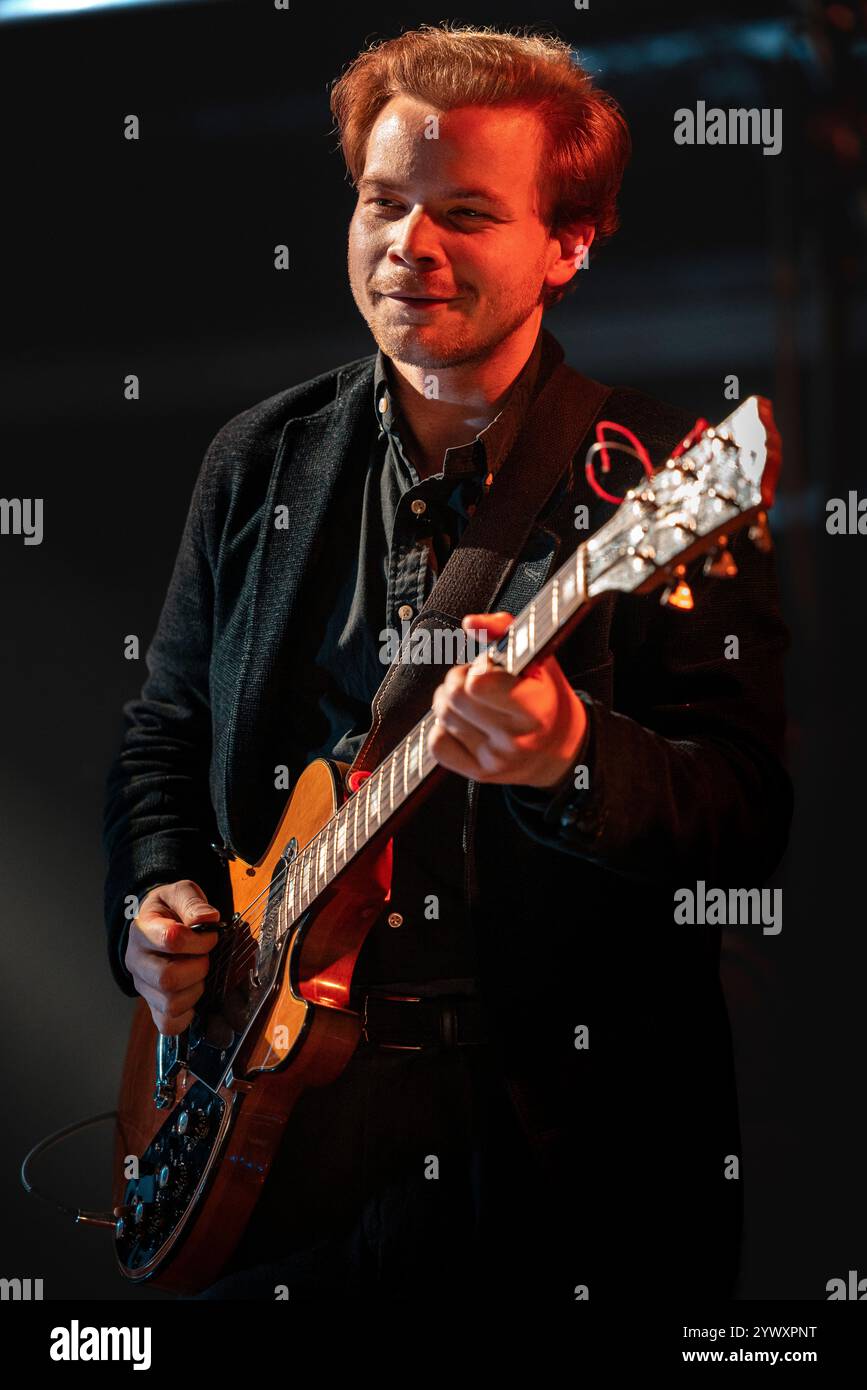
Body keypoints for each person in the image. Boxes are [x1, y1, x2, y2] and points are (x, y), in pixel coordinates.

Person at [103, 24, 792, 1305]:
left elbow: (749, 810)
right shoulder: (257, 461)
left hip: (561, 1150)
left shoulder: (654, 482)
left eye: (466, 213)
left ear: (571, 242)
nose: (408, 247)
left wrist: (573, 760)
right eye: (382, 201)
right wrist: (155, 908)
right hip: (287, 1139)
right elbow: (163, 737)